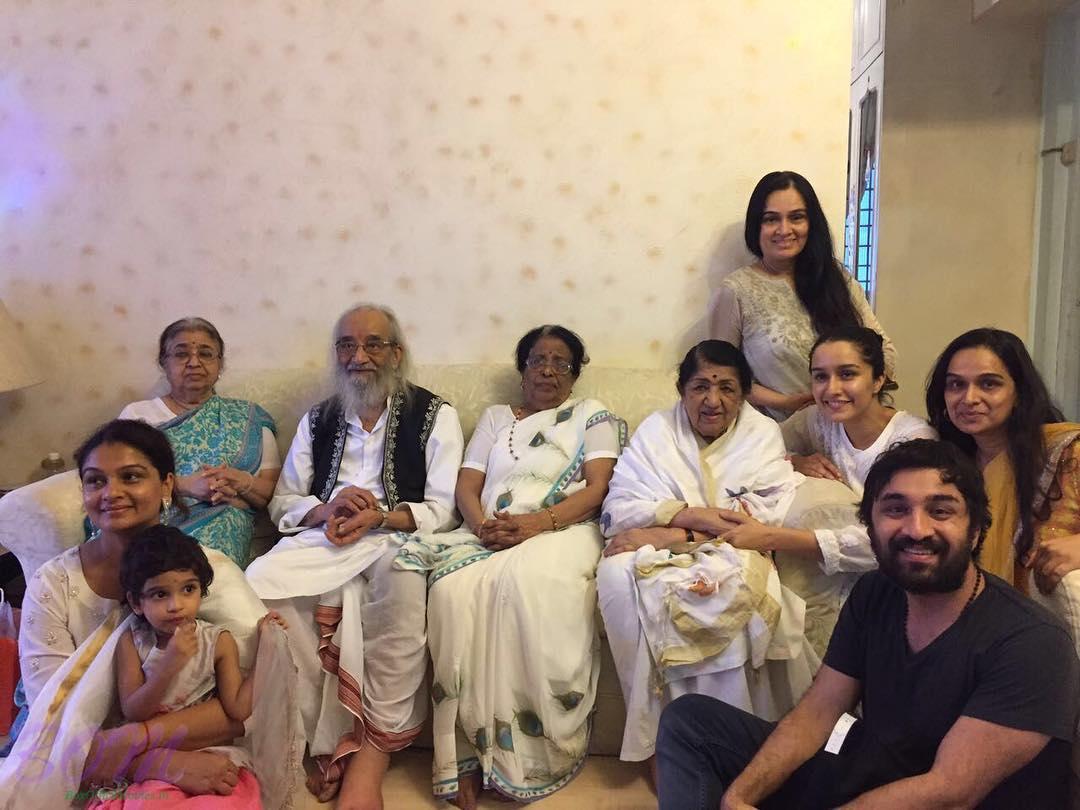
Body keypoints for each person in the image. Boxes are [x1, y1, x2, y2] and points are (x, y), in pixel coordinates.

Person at [657, 439, 1078, 810]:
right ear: (871, 528)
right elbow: (817, 713)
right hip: (873, 771)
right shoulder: (877, 592)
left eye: (941, 510)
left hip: (939, 801)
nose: (917, 529)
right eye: (896, 509)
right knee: (692, 722)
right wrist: (739, 797)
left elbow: (949, 793)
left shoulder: (1031, 642)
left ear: (975, 530)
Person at [0, 420, 299, 810]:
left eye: (132, 477)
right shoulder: (55, 584)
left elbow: (247, 710)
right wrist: (155, 762)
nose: (111, 493)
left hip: (195, 749)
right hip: (70, 759)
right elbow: (56, 721)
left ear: (167, 486)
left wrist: (139, 736)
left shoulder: (205, 574)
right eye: (95, 481)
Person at [244, 303, 464, 810]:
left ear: (397, 354)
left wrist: (380, 517)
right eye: (347, 345)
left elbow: (445, 508)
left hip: (395, 537)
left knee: (402, 582)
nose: (358, 356)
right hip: (325, 537)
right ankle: (320, 745)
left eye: (373, 344)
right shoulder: (318, 419)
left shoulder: (435, 414)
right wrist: (327, 510)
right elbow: (283, 500)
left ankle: (373, 754)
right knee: (260, 586)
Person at [395, 325, 624, 807]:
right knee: (452, 594)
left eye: (560, 362)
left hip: (565, 528)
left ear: (575, 373)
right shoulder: (498, 419)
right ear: (522, 370)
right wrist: (481, 528)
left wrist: (536, 524)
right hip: (489, 531)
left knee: (520, 582)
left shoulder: (591, 414)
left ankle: (524, 754)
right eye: (537, 360)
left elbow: (598, 488)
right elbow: (467, 486)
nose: (547, 369)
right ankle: (466, 759)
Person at [596, 340, 816, 772]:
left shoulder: (761, 433)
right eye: (700, 386)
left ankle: (727, 745)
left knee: (719, 589)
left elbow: (764, 511)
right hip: (656, 546)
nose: (712, 401)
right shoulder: (657, 431)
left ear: (744, 393)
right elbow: (619, 504)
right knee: (617, 576)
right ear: (682, 390)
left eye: (727, 388)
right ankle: (661, 745)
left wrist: (679, 530)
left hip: (734, 550)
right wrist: (688, 518)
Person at [93, 527, 287, 808]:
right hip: (154, 761)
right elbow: (133, 711)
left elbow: (238, 710)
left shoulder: (217, 641)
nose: (176, 605)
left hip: (207, 751)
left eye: (188, 589)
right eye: (160, 594)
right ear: (136, 603)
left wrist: (266, 650)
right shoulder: (133, 642)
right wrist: (168, 664)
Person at [777, 327, 936, 652]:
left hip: (897, 584)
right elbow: (760, 449)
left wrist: (781, 539)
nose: (832, 389)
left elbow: (905, 536)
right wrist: (795, 460)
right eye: (820, 377)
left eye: (847, 374)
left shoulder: (912, 440)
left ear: (879, 380)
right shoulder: (816, 421)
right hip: (829, 581)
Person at [709, 170, 896, 420]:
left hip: (853, 426)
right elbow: (722, 375)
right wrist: (786, 402)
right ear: (756, 226)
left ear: (811, 223)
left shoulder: (837, 279)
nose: (784, 229)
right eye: (771, 219)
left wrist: (856, 391)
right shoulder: (736, 291)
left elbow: (885, 352)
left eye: (796, 217)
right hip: (780, 433)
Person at [927, 328, 1080, 597]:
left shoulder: (1066, 453)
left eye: (989, 384)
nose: (969, 398)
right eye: (956, 384)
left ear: (1019, 392)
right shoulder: (949, 468)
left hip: (1046, 630)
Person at [119, 317, 280, 567]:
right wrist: (181, 486)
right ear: (164, 362)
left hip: (225, 522)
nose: (194, 362)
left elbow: (275, 493)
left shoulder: (248, 417)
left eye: (206, 354)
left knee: (227, 520)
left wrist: (240, 482)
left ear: (219, 364)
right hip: (155, 520)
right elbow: (119, 482)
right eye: (181, 354)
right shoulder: (138, 416)